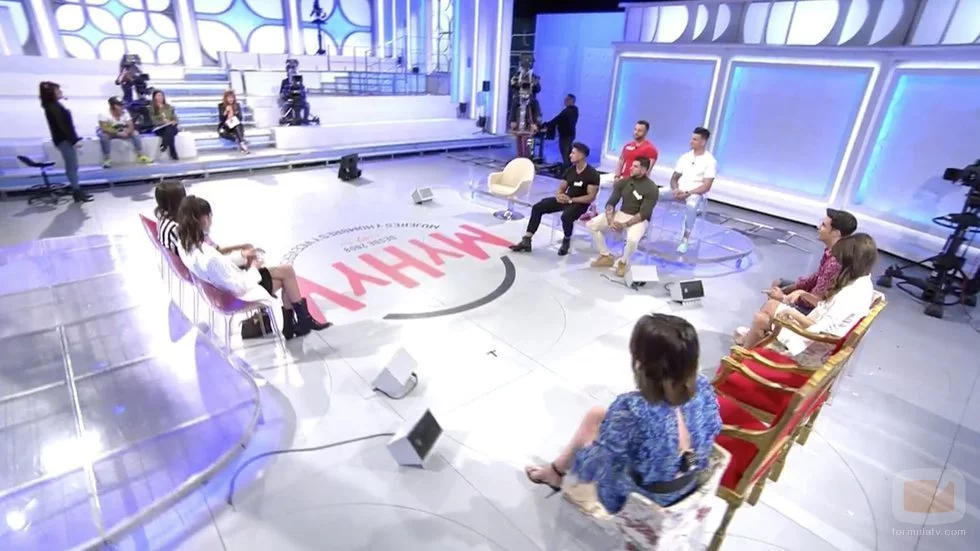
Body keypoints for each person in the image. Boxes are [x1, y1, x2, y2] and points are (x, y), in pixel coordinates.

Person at [524, 314, 721, 514]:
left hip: (646, 498)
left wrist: (585, 454)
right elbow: (712, 429)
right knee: (597, 415)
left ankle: (556, 473)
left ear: (641, 361)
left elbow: (596, 465)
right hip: (691, 480)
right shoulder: (703, 387)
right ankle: (554, 471)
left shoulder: (633, 409)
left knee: (597, 436)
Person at [176, 195, 331, 339]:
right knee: (287, 275)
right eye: (209, 216)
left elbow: (221, 263)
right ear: (202, 219)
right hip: (238, 293)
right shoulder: (207, 258)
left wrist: (243, 257)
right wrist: (254, 268)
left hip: (227, 286)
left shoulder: (187, 245)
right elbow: (237, 286)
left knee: (286, 271)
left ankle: (296, 324)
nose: (211, 219)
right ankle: (299, 322)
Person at [736, 233, 878, 355]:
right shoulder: (862, 283)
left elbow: (820, 330)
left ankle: (743, 356)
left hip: (812, 343)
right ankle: (748, 345)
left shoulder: (849, 295)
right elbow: (824, 307)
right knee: (771, 306)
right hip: (816, 328)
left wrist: (792, 313)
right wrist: (802, 294)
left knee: (761, 318)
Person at [509, 142, 599, 257]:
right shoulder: (570, 170)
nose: (570, 155)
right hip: (566, 199)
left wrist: (571, 200)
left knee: (566, 216)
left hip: (580, 203)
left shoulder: (592, 174)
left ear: (581, 155)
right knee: (538, 207)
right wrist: (559, 195)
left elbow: (590, 197)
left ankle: (566, 239)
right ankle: (527, 239)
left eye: (573, 153)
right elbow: (561, 187)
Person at [769, 208, 859, 313]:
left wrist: (783, 297)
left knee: (772, 303)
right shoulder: (831, 250)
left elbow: (816, 301)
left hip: (817, 310)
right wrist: (792, 287)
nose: (818, 227)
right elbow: (817, 277)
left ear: (836, 233)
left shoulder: (835, 262)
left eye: (824, 225)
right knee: (778, 284)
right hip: (813, 296)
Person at [587, 157, 659, 277]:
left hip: (639, 219)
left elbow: (644, 213)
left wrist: (624, 225)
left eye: (635, 166)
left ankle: (623, 262)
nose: (630, 168)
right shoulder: (624, 182)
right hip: (622, 214)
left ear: (644, 170)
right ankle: (606, 255)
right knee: (592, 225)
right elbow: (611, 202)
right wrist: (610, 221)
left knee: (632, 240)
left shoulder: (652, 188)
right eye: (632, 165)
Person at [666, 127, 717, 254]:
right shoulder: (685, 157)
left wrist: (688, 193)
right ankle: (643, 228)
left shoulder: (710, 161)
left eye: (695, 139)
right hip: (678, 190)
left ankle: (685, 240)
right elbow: (674, 178)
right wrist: (676, 189)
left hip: (695, 193)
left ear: (703, 142)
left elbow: (706, 186)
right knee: (653, 194)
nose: (691, 141)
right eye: (691, 139)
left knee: (692, 205)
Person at [39, 81, 92, 203]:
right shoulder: (53, 107)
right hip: (64, 140)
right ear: (51, 93)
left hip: (64, 140)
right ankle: (77, 191)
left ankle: (77, 190)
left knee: (72, 166)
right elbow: (63, 126)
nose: (60, 92)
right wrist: (74, 140)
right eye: (57, 90)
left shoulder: (54, 106)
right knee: (72, 166)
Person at [98, 96, 151, 168]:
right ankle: (107, 159)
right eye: (120, 105)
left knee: (135, 133)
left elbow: (131, 125)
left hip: (122, 130)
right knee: (103, 136)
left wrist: (128, 131)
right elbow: (104, 128)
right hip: (110, 132)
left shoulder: (125, 112)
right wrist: (117, 133)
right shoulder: (104, 114)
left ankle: (140, 156)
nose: (122, 107)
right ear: (114, 106)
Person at [544, 94, 579, 172]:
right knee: (568, 153)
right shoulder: (573, 110)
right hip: (569, 135)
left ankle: (566, 171)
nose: (564, 101)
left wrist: (545, 125)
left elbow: (557, 119)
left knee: (565, 153)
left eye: (567, 99)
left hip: (566, 136)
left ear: (571, 101)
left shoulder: (568, 111)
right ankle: (569, 169)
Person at [150, 90, 180, 161]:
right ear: (154, 97)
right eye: (158, 95)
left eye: (161, 95)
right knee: (170, 131)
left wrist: (174, 121)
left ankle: (164, 144)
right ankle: (173, 153)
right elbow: (153, 121)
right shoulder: (151, 108)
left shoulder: (169, 107)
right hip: (159, 128)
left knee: (170, 128)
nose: (160, 97)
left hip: (171, 126)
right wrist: (162, 122)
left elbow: (175, 118)